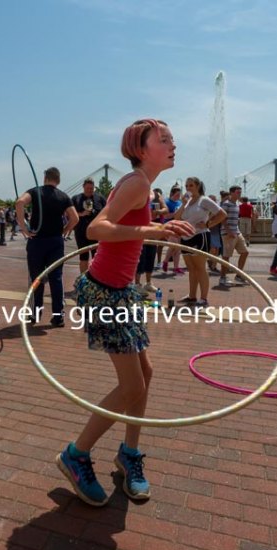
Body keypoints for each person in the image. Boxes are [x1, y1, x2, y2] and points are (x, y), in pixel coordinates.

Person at [57, 119, 193, 505]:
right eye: (163, 139)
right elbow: (97, 230)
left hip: (122, 291)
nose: (172, 143)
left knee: (145, 375)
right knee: (133, 385)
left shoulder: (141, 185)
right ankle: (76, 454)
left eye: (171, 138)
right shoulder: (136, 183)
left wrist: (158, 226)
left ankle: (128, 453)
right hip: (105, 294)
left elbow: (126, 221)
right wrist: (150, 232)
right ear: (141, 148)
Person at [15, 167, 79, 327]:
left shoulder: (35, 191)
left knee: (36, 279)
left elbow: (20, 202)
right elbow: (75, 218)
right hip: (55, 242)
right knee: (56, 278)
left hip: (37, 240)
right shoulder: (63, 196)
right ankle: (58, 316)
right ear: (58, 180)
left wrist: (23, 227)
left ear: (45, 178)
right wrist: (64, 231)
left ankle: (35, 313)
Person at [172, 177, 226, 307]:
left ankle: (203, 298)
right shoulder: (187, 201)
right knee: (191, 268)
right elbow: (177, 217)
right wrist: (183, 203)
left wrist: (209, 223)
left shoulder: (204, 200)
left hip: (200, 236)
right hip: (186, 237)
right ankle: (192, 296)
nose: (188, 188)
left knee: (200, 268)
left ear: (197, 186)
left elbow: (222, 214)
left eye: (191, 185)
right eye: (186, 186)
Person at [70, 177, 107, 292]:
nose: (90, 190)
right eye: (88, 188)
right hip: (81, 232)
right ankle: (83, 283)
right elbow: (70, 214)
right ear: (83, 187)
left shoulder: (100, 198)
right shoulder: (76, 199)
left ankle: (97, 282)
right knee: (83, 257)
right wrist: (81, 214)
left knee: (97, 257)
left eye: (92, 188)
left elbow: (107, 211)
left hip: (96, 232)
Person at [220, 185, 249, 286]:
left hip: (236, 232)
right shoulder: (226, 204)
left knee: (245, 252)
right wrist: (228, 231)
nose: (239, 194)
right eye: (237, 192)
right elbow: (222, 218)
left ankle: (239, 275)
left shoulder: (236, 204)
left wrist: (236, 231)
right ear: (231, 193)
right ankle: (222, 277)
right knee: (226, 256)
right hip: (228, 233)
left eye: (240, 192)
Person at [161, 185, 184, 274]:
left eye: (179, 194)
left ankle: (176, 267)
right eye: (177, 194)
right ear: (172, 193)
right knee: (174, 245)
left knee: (177, 248)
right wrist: (175, 214)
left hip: (178, 227)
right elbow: (166, 215)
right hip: (169, 226)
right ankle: (166, 261)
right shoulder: (167, 202)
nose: (178, 196)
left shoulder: (179, 203)